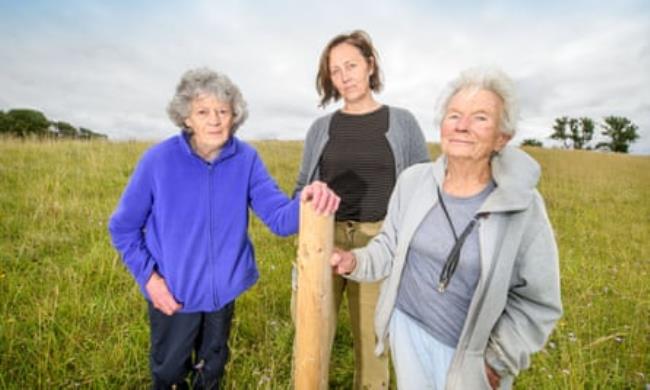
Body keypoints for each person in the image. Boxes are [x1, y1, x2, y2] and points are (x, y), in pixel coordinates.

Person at [331, 67, 562, 389]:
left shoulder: (522, 206)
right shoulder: (413, 182)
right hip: (406, 329)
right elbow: (389, 245)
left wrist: (498, 361)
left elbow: (538, 301)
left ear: (502, 137)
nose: (462, 126)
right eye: (454, 115)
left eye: (480, 117)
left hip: (470, 359)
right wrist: (354, 261)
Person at [108, 67, 339, 389]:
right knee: (169, 374)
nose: (214, 120)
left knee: (211, 371)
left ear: (235, 117)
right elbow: (123, 228)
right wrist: (150, 279)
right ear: (186, 118)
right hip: (174, 294)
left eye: (223, 111)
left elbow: (279, 219)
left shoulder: (246, 159)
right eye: (203, 112)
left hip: (223, 293)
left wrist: (308, 199)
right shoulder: (158, 161)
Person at [293, 30, 430, 389]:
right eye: (335, 70)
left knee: (373, 343)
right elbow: (300, 189)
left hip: (380, 239)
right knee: (311, 334)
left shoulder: (402, 122)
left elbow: (422, 190)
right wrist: (309, 196)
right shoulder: (321, 128)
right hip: (325, 236)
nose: (344, 76)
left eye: (351, 65)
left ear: (370, 65)